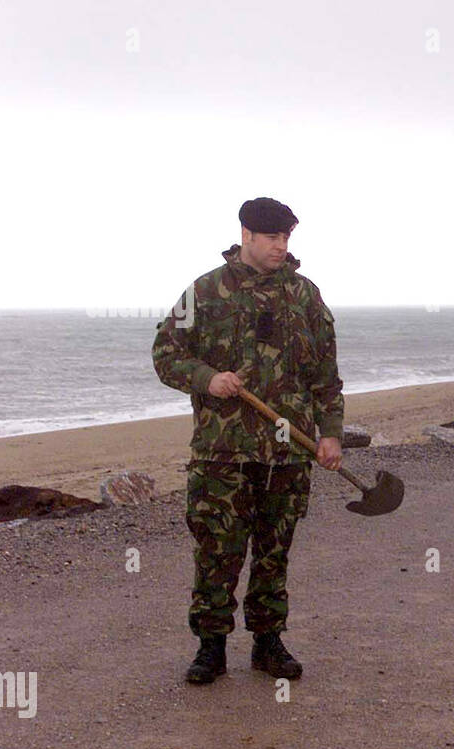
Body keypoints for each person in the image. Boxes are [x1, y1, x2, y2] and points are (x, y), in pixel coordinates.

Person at [152, 197, 344, 684]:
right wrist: (207, 378)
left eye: (287, 238)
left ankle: (268, 642)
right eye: (273, 238)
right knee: (217, 552)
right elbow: (165, 354)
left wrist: (331, 436)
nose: (282, 247)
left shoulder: (305, 297)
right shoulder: (207, 292)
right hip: (223, 452)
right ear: (247, 235)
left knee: (274, 551)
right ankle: (210, 647)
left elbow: (326, 377)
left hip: (287, 452)